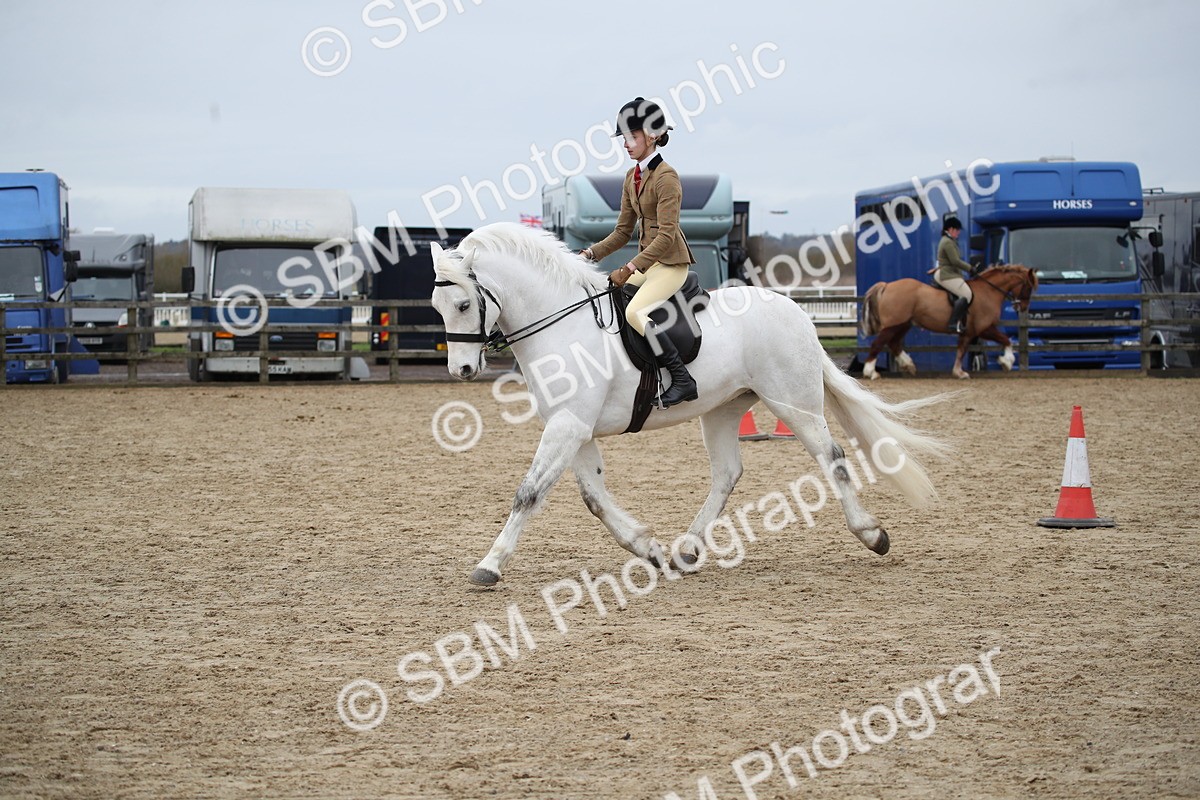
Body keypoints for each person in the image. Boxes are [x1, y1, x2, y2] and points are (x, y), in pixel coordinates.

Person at [581, 97, 698, 408]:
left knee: (635, 313)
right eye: (624, 138)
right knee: (611, 296)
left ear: (653, 136)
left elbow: (667, 235)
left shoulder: (666, 177)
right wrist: (588, 255)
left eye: (632, 137)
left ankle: (682, 378)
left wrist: (630, 268)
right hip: (649, 265)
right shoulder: (631, 178)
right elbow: (622, 232)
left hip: (671, 264)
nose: (626, 145)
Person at [932, 216, 974, 334]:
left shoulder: (949, 240)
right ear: (950, 229)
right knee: (966, 294)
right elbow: (955, 261)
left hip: (949, 273)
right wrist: (970, 268)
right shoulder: (947, 242)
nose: (958, 232)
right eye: (957, 230)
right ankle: (953, 322)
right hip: (946, 274)